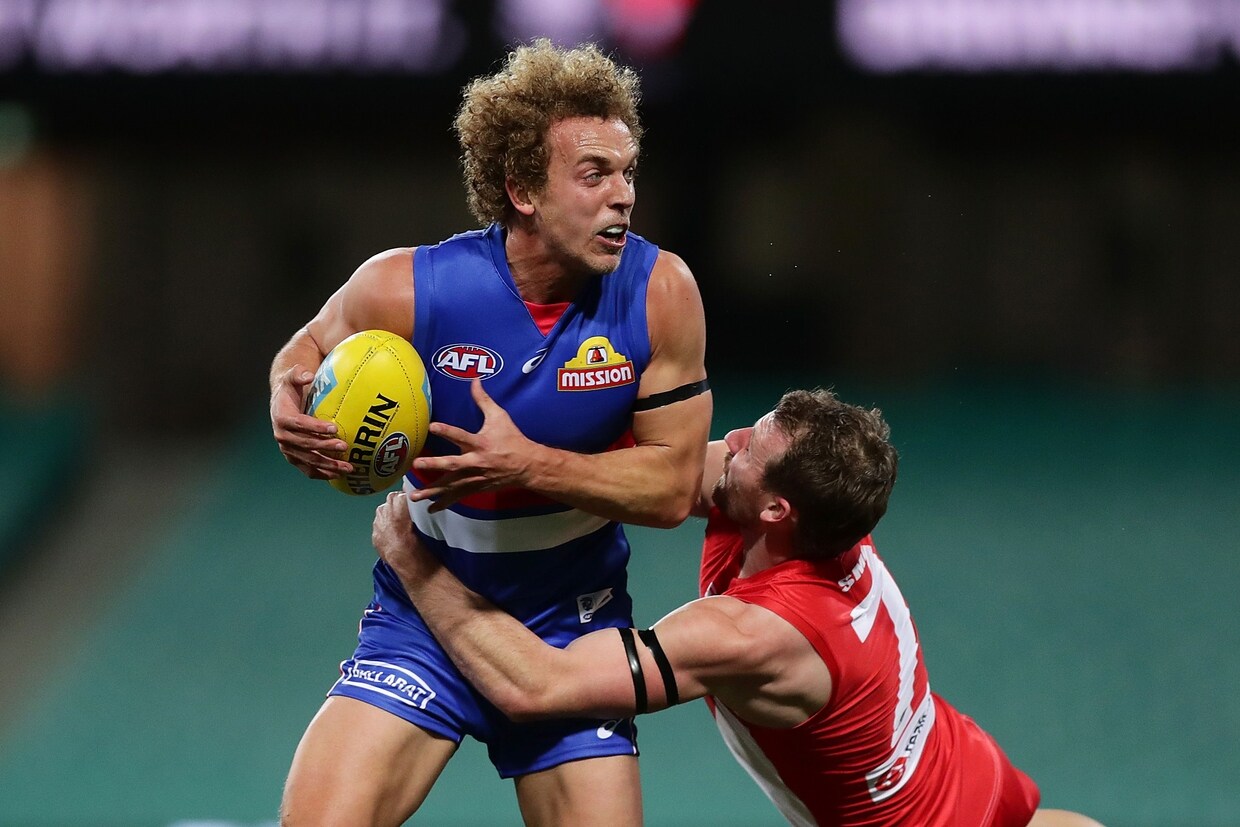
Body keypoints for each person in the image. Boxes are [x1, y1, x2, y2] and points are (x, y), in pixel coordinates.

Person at [268, 40, 711, 827]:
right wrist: (284, 394)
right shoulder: (409, 288)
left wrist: (528, 463)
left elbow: (672, 487)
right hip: (423, 614)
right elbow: (305, 349)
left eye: (628, 171)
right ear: (522, 188)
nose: (624, 196)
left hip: (572, 627)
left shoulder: (660, 293)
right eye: (595, 174)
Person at [371, 389, 1106, 827]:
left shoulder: (752, 632)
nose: (733, 439)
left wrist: (417, 563)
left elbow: (538, 685)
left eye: (752, 447)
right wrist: (520, 455)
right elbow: (655, 479)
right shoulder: (823, 513)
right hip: (978, 777)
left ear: (778, 508)